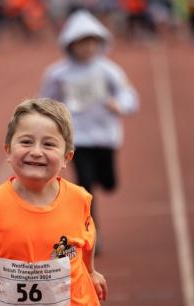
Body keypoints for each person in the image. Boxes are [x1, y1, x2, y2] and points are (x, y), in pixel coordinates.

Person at [0, 98, 107, 306]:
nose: (36, 151)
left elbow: (87, 236)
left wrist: (90, 270)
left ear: (66, 157)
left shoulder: (79, 198)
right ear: (7, 150)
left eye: (49, 144)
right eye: (26, 142)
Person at [39, 10, 139, 255]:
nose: (87, 48)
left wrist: (120, 104)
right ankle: (95, 235)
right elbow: (45, 100)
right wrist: (48, 122)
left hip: (105, 137)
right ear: (70, 45)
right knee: (85, 189)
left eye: (92, 42)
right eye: (82, 42)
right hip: (77, 139)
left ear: (100, 43)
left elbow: (129, 95)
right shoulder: (58, 73)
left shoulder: (108, 70)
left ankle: (102, 177)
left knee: (109, 183)